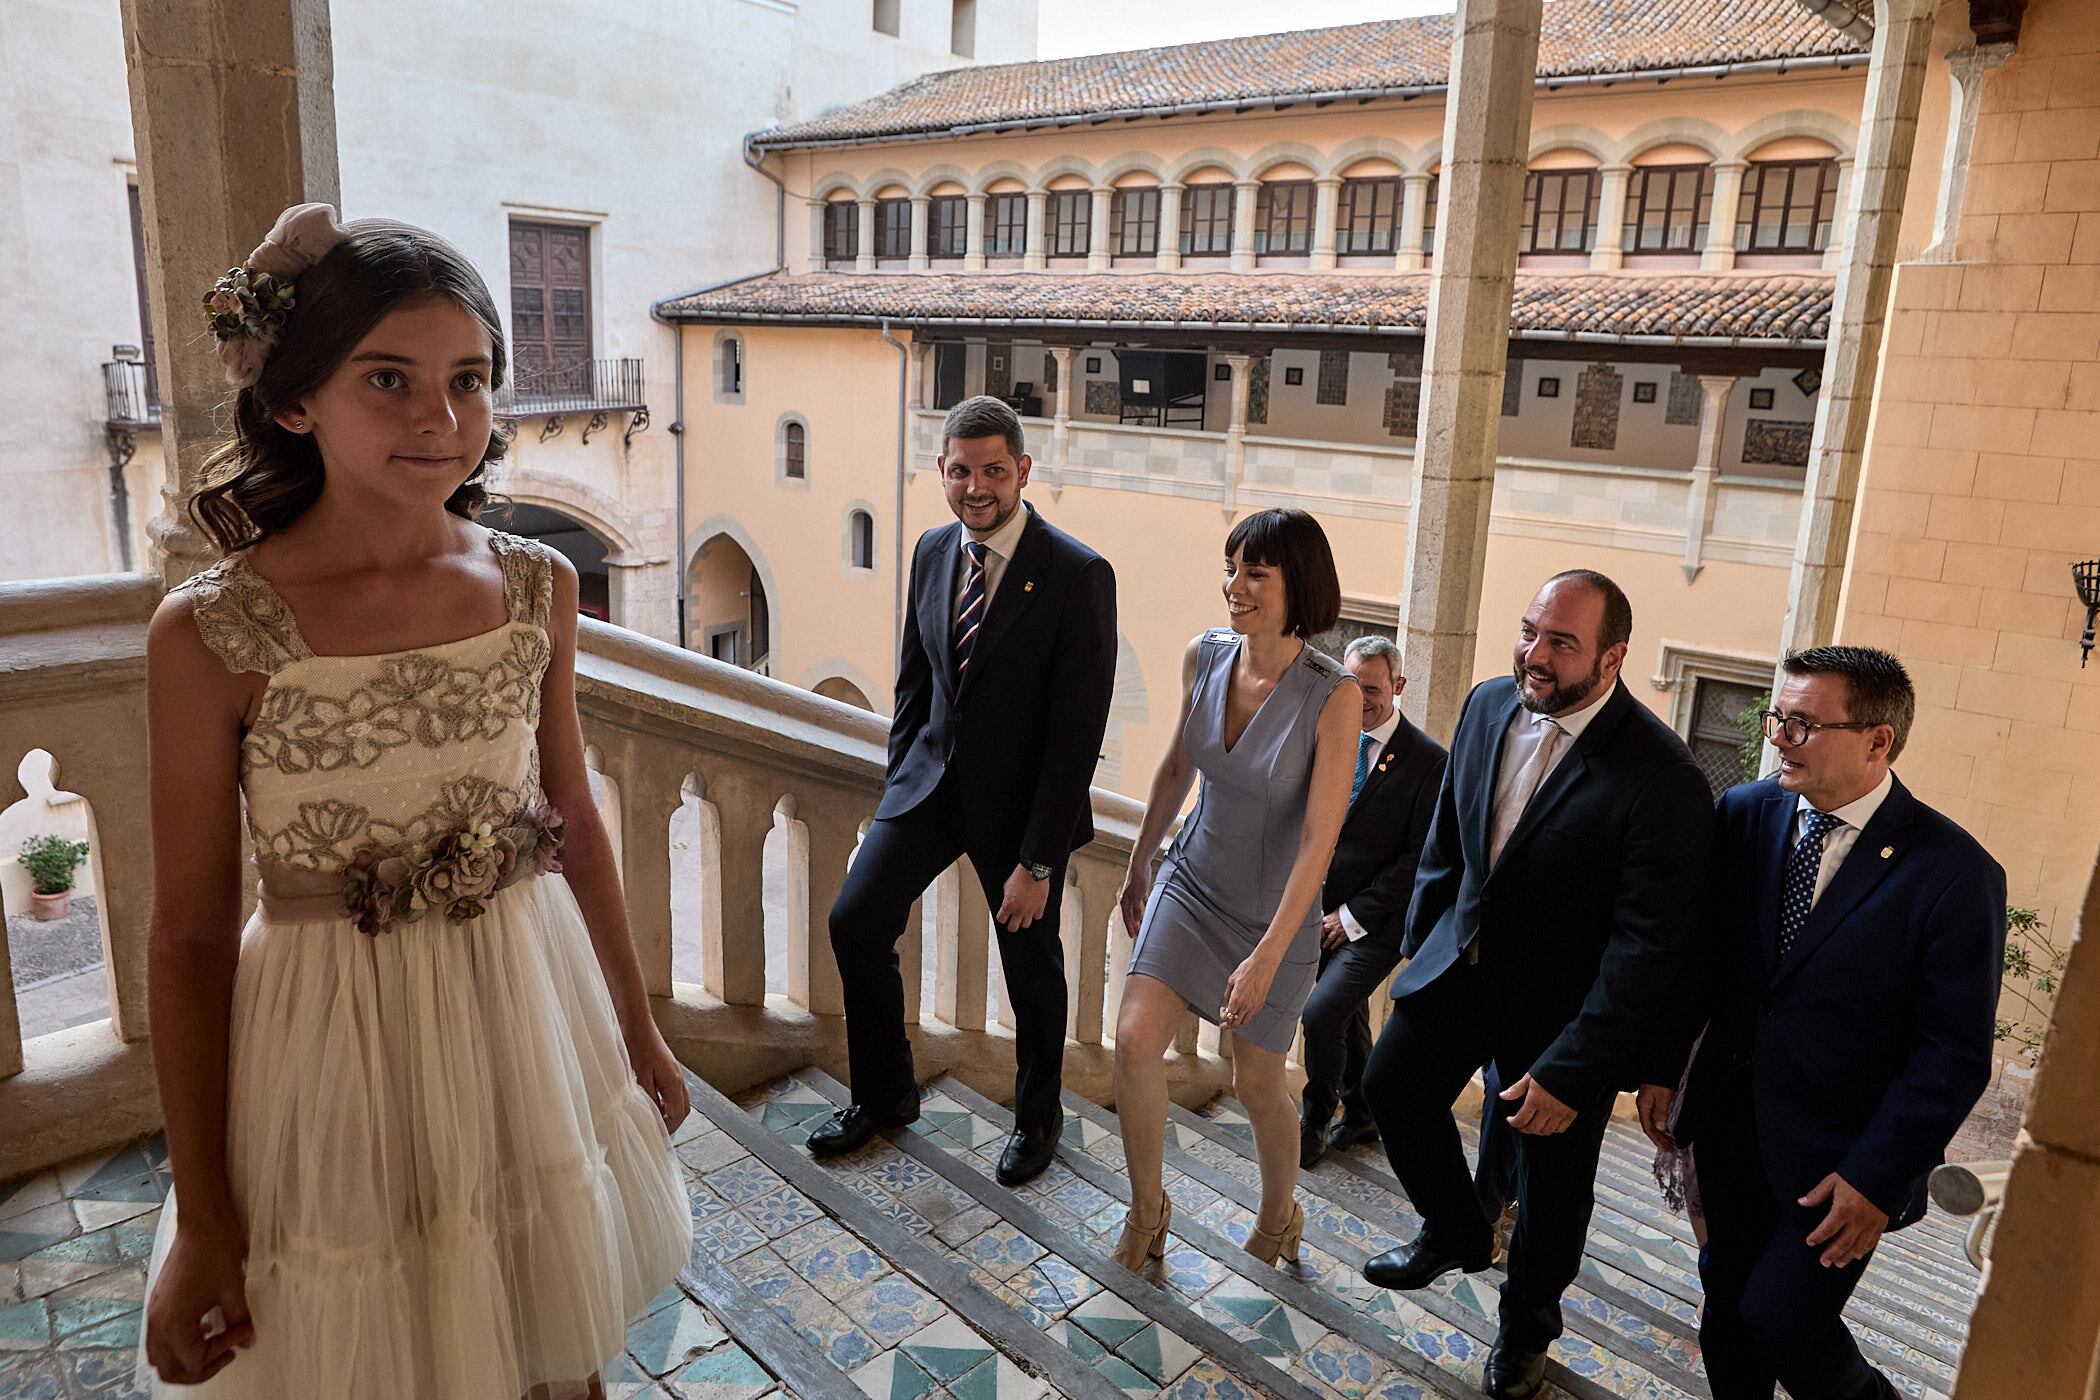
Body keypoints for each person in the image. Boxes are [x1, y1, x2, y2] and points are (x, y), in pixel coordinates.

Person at [139, 205, 691, 1399]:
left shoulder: (534, 585)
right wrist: (202, 1214)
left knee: (552, 1326)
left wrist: (635, 1026)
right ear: (295, 397)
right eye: (387, 378)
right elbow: (186, 932)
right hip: (329, 1037)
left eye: (469, 379)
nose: (439, 417)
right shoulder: (215, 632)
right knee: (376, 1332)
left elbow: (574, 822)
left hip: (522, 1003)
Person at [1358, 569, 1713, 1400]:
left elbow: (1646, 947)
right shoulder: (1487, 702)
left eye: (1562, 642)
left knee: (1552, 1196)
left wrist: (1574, 1070)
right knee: (1392, 1086)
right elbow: (1451, 825)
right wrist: (1423, 935)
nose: (1535, 655)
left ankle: (1525, 1333)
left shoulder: (1664, 778)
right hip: (1462, 967)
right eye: (1529, 631)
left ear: (1614, 657)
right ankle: (1455, 1231)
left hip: (1565, 1020)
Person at [1637, 646, 2006, 1400]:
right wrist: (1659, 1066)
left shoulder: (1956, 873)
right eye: (1780, 718)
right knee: (1729, 1312)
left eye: (1804, 725)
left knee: (1785, 1320)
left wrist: (1876, 1177)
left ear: (1878, 741)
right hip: (1731, 1128)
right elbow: (1701, 964)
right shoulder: (1743, 814)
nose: (1779, 738)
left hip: (1844, 1160)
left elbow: (1952, 1053)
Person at [813, 396, 1117, 1187]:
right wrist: (896, 789)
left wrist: (1040, 862)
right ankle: (886, 1097)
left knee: (1032, 974)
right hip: (928, 787)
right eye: (958, 471)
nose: (974, 487)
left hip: (1020, 817)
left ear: (1022, 470)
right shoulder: (931, 549)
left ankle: (1037, 1122)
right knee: (855, 921)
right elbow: (915, 685)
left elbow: (1075, 735)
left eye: (990, 470)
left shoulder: (1079, 574)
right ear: (940, 474)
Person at [1112, 508, 1361, 1272]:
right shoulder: (1204, 656)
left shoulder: (1335, 696)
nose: (1235, 587)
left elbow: (1319, 843)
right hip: (1193, 881)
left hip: (1275, 916)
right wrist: (1140, 858)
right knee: (1131, 1040)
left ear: (1298, 586)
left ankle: (1281, 1213)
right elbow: (1176, 766)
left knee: (1254, 1083)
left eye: (1257, 573)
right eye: (1232, 568)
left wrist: (1266, 957)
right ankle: (1149, 1209)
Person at [1297, 635, 1446, 1169]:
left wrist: (1352, 915)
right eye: (1352, 686)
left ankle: (1315, 1119)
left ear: (1398, 687)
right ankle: (1363, 1112)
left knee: (1321, 1012)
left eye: (1374, 690)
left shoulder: (1430, 762)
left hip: (1378, 923)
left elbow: (1419, 858)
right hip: (1314, 911)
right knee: (1347, 1014)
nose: (1361, 699)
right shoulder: (1328, 736)